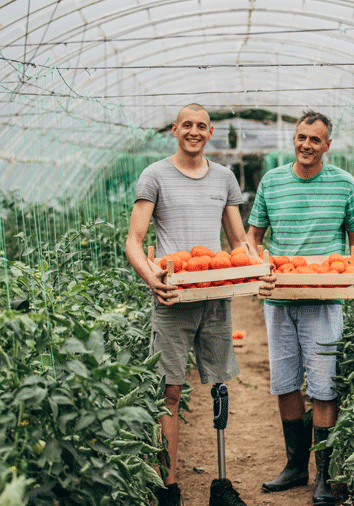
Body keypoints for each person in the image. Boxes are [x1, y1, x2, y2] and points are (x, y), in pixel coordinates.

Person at [125, 103, 271, 506]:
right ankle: (168, 486)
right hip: (173, 297)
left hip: (214, 296)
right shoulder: (154, 175)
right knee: (169, 390)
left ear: (210, 134)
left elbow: (239, 240)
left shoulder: (224, 178)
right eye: (186, 125)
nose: (193, 131)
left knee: (219, 384)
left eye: (201, 126)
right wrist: (151, 277)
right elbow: (134, 240)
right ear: (175, 129)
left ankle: (220, 485)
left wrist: (259, 266)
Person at [245, 110, 354, 506]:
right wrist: (255, 268)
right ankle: (295, 465)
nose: (306, 145)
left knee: (323, 385)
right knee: (284, 382)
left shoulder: (344, 184)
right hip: (279, 299)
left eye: (315, 140)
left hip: (325, 299)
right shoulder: (273, 182)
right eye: (301, 137)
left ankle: (324, 475)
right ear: (293, 139)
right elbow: (253, 237)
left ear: (327, 145)